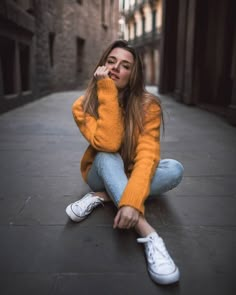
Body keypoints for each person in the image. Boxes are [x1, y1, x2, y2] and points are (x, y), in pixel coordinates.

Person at [65, 40, 184, 285]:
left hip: (127, 173)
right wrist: (107, 91)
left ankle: (103, 196)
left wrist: (128, 198)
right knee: (108, 156)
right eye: (111, 62)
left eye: (125, 65)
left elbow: (147, 155)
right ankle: (149, 235)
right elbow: (107, 144)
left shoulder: (148, 105)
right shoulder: (82, 105)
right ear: (102, 66)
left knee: (174, 169)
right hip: (99, 170)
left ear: (133, 74)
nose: (116, 68)